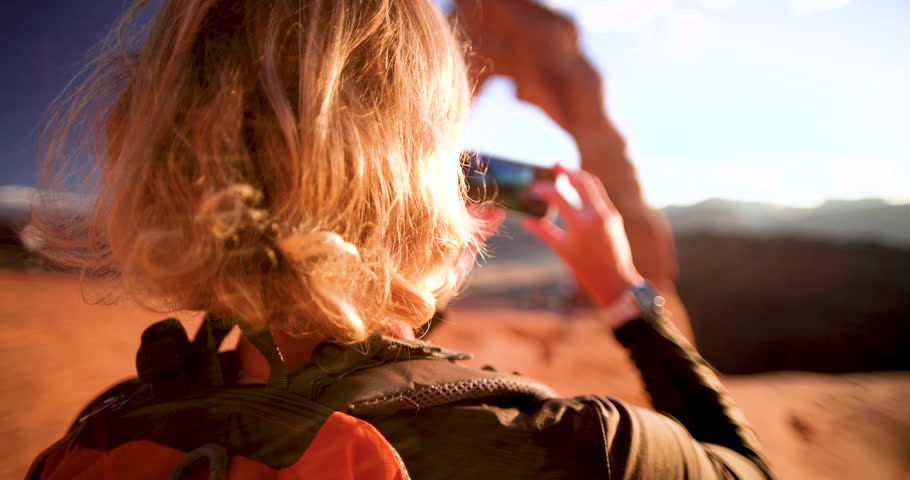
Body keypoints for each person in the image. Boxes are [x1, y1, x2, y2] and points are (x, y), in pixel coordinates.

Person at [31, 0, 773, 478]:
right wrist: (625, 299)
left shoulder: (108, 428)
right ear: (419, 178)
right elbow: (748, 471)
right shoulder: (566, 446)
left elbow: (342, 359)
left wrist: (410, 275)